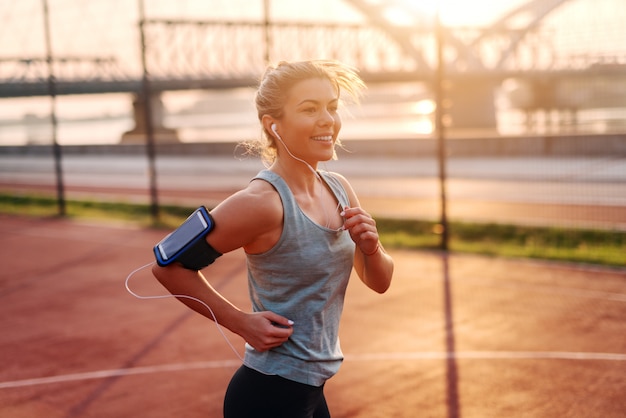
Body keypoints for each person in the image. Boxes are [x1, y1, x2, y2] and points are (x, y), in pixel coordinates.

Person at [152, 60, 394, 418]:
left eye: (332, 106)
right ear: (273, 125)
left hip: (312, 390)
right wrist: (240, 322)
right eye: (309, 109)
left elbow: (380, 282)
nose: (327, 119)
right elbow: (168, 268)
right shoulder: (262, 203)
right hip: (268, 395)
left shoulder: (340, 189)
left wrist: (371, 249)